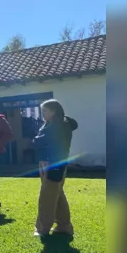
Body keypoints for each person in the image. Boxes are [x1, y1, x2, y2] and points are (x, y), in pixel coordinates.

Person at [32, 99, 78, 237]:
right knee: (57, 195)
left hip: (53, 164)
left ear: (54, 111)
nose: (42, 114)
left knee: (47, 197)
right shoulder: (53, 124)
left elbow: (49, 144)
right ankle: (64, 226)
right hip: (51, 164)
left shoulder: (58, 125)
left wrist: (36, 141)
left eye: (45, 111)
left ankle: (42, 228)